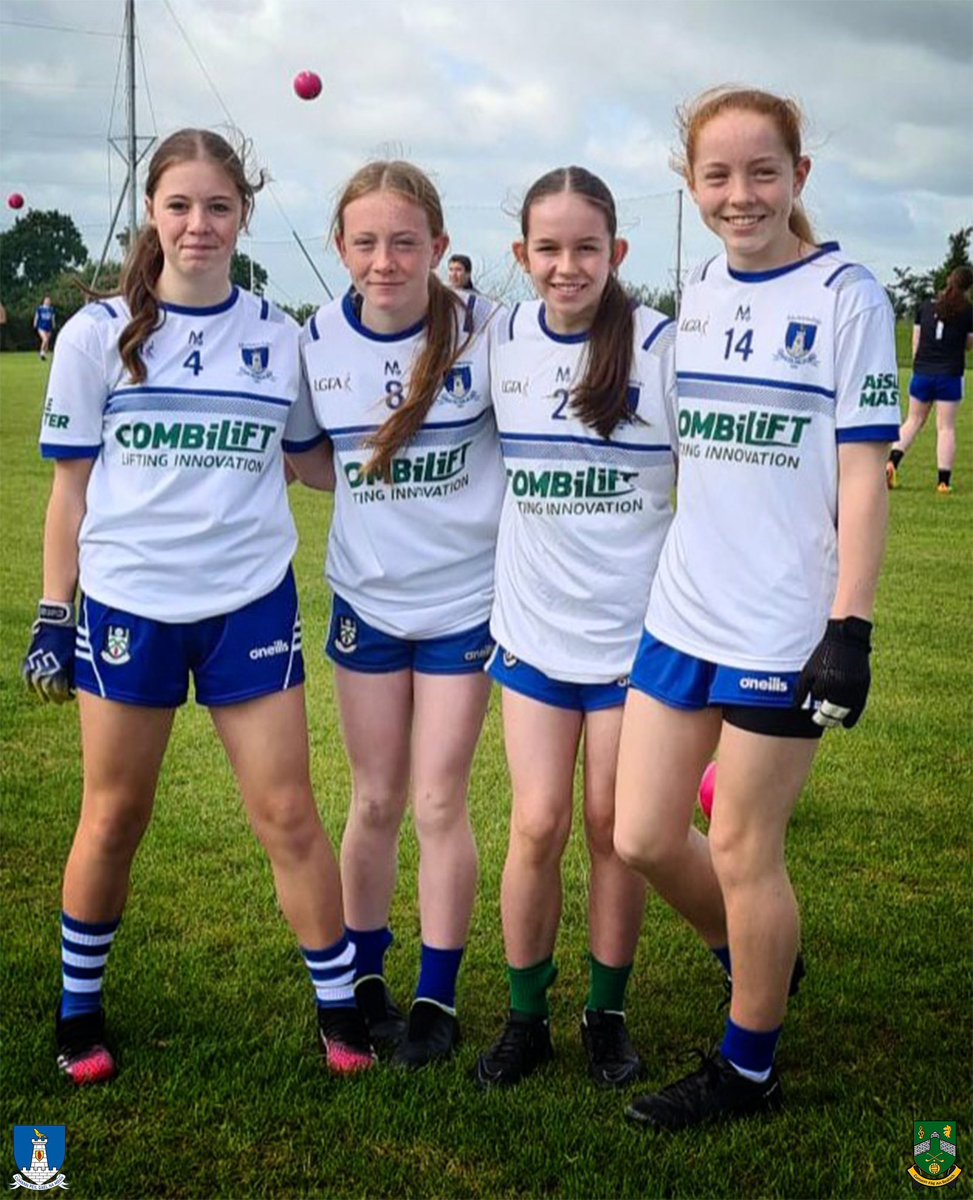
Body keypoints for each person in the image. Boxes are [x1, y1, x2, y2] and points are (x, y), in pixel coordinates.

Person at [21, 128, 375, 1087]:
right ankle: (78, 1010)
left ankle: (339, 1010)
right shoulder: (98, 334)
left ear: (243, 214)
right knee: (115, 814)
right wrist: (57, 612)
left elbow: (310, 462)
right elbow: (70, 492)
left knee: (288, 815)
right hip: (131, 603)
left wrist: (402, 447)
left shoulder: (278, 333)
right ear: (152, 212)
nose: (198, 225)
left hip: (247, 606)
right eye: (180, 206)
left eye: (218, 207)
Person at [613, 86, 898, 1132]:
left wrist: (848, 629)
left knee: (741, 846)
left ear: (799, 179)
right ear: (692, 189)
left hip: (787, 625)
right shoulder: (693, 292)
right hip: (682, 610)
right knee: (642, 835)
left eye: (762, 173)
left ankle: (748, 1068)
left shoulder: (847, 295)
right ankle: (755, 959)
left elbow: (863, 476)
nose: (741, 195)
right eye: (718, 177)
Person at [294, 160, 505, 1068]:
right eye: (366, 242)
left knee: (436, 800)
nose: (385, 261)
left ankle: (437, 995)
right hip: (367, 602)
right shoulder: (314, 341)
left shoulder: (489, 331)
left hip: (465, 603)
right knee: (374, 798)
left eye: (404, 241)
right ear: (340, 247)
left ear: (439, 247)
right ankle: (367, 979)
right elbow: (308, 460)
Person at [472, 167, 677, 1090]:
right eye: (547, 250)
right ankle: (525, 1019)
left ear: (616, 254)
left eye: (585, 248)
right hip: (533, 631)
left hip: (635, 639)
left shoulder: (663, 350)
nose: (566, 266)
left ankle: (606, 1013)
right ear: (521, 257)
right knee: (538, 821)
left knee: (611, 826)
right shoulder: (498, 338)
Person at [886, 266, 973, 494]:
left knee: (913, 421)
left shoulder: (925, 307)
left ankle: (891, 463)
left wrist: (920, 365)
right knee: (945, 428)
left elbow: (917, 342)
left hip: (922, 372)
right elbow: (969, 344)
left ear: (948, 280)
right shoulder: (967, 312)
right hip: (950, 375)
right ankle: (943, 482)